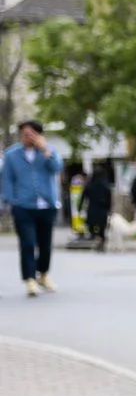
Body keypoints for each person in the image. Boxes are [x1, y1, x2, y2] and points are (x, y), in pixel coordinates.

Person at [7, 120, 61, 295]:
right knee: (27, 243)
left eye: (30, 134)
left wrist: (45, 150)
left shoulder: (49, 151)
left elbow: (57, 168)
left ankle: (43, 274)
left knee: (45, 244)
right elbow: (6, 179)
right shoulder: (12, 155)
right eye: (23, 134)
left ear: (39, 134)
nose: (26, 137)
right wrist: (10, 200)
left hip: (47, 205)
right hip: (23, 206)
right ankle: (30, 279)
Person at [81, 158, 114, 249]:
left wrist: (80, 207)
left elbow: (84, 196)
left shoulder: (90, 184)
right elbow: (109, 197)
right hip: (103, 208)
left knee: (91, 224)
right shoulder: (105, 184)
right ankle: (101, 239)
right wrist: (110, 208)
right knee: (102, 227)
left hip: (92, 208)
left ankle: (96, 237)